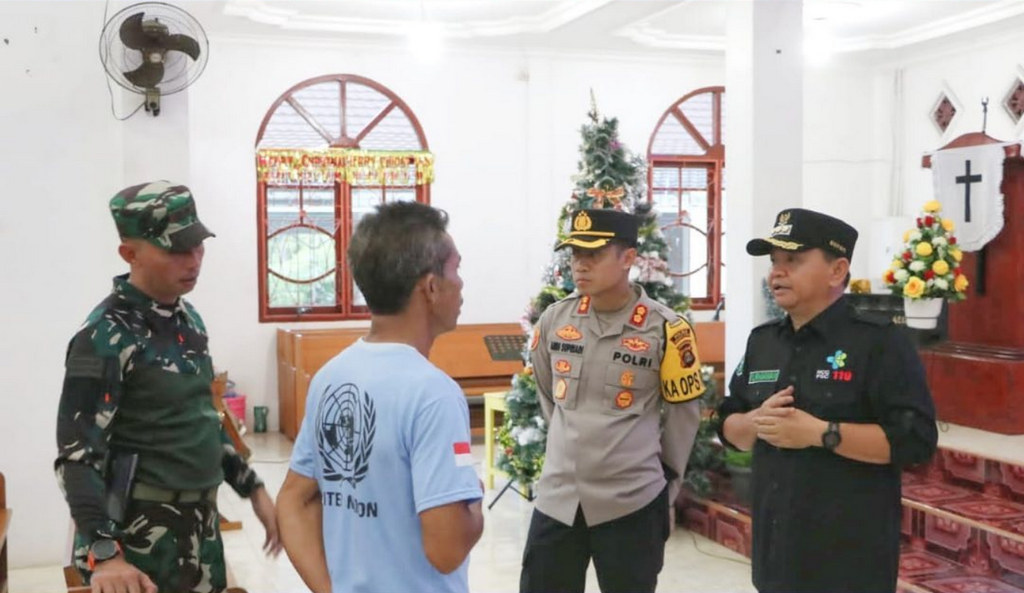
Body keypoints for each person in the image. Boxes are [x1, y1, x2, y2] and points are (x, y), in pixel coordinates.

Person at [55, 181, 280, 593]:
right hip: (138, 543)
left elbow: (201, 422)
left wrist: (253, 489)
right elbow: (77, 456)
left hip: (199, 532)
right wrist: (105, 555)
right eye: (176, 250)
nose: (193, 261)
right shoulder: (104, 336)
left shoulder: (187, 320)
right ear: (130, 253)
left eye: (198, 245)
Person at [718, 208, 938, 593]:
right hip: (775, 553)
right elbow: (728, 423)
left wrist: (822, 433)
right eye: (774, 262)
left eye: (794, 260)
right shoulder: (763, 341)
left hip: (848, 559)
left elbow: (915, 440)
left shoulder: (879, 342)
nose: (776, 272)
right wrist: (754, 423)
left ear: (837, 271)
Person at [276, 201, 484, 593]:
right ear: (431, 287)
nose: (461, 283)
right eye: (456, 269)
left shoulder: (331, 377)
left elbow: (293, 500)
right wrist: (473, 502)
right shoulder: (433, 393)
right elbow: (446, 549)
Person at [520, 208, 704, 593]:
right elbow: (546, 395)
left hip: (631, 502)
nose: (580, 265)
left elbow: (683, 419)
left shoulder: (667, 329)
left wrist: (664, 486)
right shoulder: (555, 320)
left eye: (594, 255)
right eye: (574, 255)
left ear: (628, 259)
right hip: (559, 499)